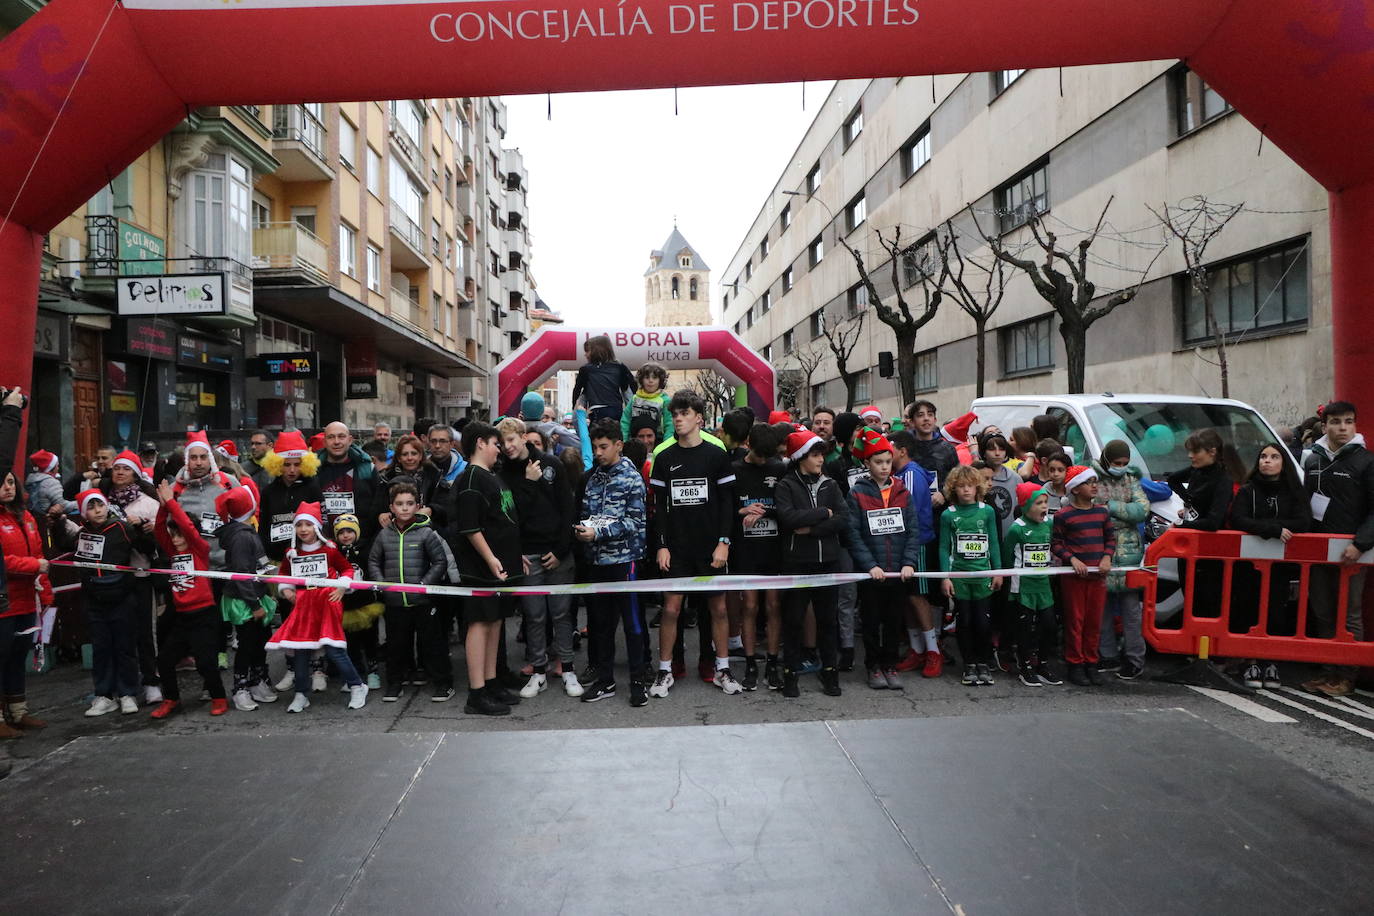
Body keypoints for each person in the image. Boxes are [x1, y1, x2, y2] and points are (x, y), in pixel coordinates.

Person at [647, 391, 740, 698]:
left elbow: (728, 503)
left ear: (699, 418)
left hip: (711, 546)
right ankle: (664, 671)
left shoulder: (717, 455)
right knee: (671, 609)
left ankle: (722, 668)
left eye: (684, 414)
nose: (678, 419)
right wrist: (661, 544)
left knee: (719, 609)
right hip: (677, 547)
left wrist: (724, 542)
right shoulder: (665, 457)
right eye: (674, 414)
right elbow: (659, 507)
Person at [494, 417, 579, 699]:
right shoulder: (503, 474)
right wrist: (529, 484)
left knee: (562, 613)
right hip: (527, 554)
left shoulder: (552, 464)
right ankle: (539, 670)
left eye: (511, 440)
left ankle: (567, 667)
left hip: (557, 553)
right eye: (502, 442)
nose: (507, 447)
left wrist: (562, 550)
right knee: (534, 615)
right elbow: (511, 516)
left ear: (523, 437)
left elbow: (568, 509)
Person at [450, 421, 523, 716]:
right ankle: (477, 692)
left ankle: (491, 682)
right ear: (480, 443)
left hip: (501, 565)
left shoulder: (490, 476)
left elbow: (502, 518)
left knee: (495, 622)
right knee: (479, 623)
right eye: (495, 444)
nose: (499, 449)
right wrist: (491, 558)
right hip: (481, 568)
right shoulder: (471, 479)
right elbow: (471, 527)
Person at [1301, 401, 1374, 698]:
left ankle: (1347, 674)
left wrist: (1360, 544)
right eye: (1335, 422)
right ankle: (1328, 670)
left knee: (1350, 613)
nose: (1342, 428)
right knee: (1322, 610)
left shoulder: (1366, 461)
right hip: (1317, 550)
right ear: (1324, 426)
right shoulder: (1313, 460)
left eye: (1348, 422)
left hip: (1351, 552)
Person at [56, 488, 151, 716]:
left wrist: (143, 528)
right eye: (91, 507)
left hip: (122, 597)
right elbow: (63, 544)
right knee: (101, 648)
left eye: (100, 505)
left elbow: (148, 548)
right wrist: (57, 522)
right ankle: (104, 695)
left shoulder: (122, 527)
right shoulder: (82, 534)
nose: (98, 511)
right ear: (83, 513)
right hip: (94, 600)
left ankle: (128, 693)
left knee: (125, 647)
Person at [575, 419, 650, 706]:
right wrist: (584, 531)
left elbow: (634, 521)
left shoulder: (631, 478)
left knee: (632, 624)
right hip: (597, 562)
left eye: (604, 447)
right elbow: (587, 514)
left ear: (619, 445)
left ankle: (637, 681)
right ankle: (605, 681)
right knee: (602, 625)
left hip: (625, 561)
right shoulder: (592, 478)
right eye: (595, 447)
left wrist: (598, 533)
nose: (598, 452)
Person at [268, 502, 368, 713]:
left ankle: (357, 686)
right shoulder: (291, 553)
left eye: (308, 524)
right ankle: (301, 693)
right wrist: (286, 590)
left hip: (327, 604)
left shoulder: (329, 549)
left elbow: (347, 569)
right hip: (304, 607)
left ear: (317, 527)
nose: (304, 529)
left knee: (334, 649)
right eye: (299, 525)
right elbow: (284, 574)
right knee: (301, 651)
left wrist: (341, 588)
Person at [846, 429, 923, 690]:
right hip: (873, 573)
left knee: (893, 621)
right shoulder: (857, 493)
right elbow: (853, 534)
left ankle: (890, 663)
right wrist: (870, 565)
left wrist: (909, 562)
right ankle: (873, 666)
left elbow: (913, 530)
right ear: (867, 464)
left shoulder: (903, 491)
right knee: (870, 621)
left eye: (888, 462)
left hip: (898, 571)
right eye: (878, 463)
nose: (884, 467)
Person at [775, 429, 849, 697]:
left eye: (821, 454)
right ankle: (790, 672)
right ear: (801, 457)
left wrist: (813, 529)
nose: (820, 460)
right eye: (815, 454)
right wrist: (822, 513)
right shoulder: (786, 485)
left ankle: (830, 671)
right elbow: (788, 518)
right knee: (793, 619)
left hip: (828, 561)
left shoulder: (830, 484)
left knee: (827, 620)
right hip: (797, 562)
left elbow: (843, 518)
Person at [1232, 443, 1312, 689]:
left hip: (1280, 566)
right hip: (1249, 566)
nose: (1267, 461)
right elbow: (1237, 518)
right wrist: (1272, 529)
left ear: (1283, 463)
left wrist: (1274, 527)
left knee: (1276, 611)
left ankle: (1271, 661)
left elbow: (1304, 521)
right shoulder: (1248, 491)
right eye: (1263, 457)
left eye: (1274, 457)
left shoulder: (1293, 492)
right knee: (1249, 609)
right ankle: (1251, 660)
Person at [368, 483, 455, 703]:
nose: (405, 508)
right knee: (396, 645)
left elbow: (440, 561)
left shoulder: (427, 533)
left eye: (409, 504)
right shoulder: (384, 535)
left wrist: (424, 583)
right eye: (399, 504)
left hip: (424, 600)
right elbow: (374, 561)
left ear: (418, 506)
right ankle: (395, 683)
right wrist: (382, 584)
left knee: (433, 644)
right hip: (395, 601)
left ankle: (443, 683)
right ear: (391, 507)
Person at [148, 481, 227, 718]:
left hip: (204, 615)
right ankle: (171, 698)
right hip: (181, 616)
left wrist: (173, 503)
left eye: (179, 535)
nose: (175, 539)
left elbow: (188, 529)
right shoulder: (173, 553)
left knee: (206, 662)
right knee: (164, 660)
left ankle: (219, 697)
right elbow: (160, 529)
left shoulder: (200, 550)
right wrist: (164, 506)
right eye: (173, 536)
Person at [731, 421, 787, 691]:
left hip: (774, 549)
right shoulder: (735, 470)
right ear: (748, 445)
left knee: (774, 606)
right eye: (760, 455)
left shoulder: (780, 467)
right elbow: (725, 509)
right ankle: (751, 662)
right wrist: (741, 512)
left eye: (770, 455)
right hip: (746, 551)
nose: (765, 461)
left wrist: (767, 511)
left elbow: (788, 508)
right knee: (750, 607)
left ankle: (773, 661)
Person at [1051, 465, 1116, 687]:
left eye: (1095, 481)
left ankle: (1092, 662)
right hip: (1074, 578)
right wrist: (1072, 559)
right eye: (1089, 482)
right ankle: (1075, 664)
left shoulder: (1102, 512)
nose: (1094, 485)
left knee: (1094, 621)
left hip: (1098, 577)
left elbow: (1110, 539)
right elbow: (1056, 543)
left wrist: (1107, 558)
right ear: (1075, 489)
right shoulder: (1063, 515)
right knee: (1075, 621)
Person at [938, 465, 1002, 686]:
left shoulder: (987, 511)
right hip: (960, 577)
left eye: (970, 486)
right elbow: (944, 548)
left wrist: (997, 571)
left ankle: (984, 662)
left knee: (983, 622)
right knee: (964, 621)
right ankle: (969, 664)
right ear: (954, 489)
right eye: (961, 487)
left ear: (978, 488)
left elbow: (994, 542)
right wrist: (945, 577)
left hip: (983, 576)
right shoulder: (949, 515)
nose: (966, 490)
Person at [1093, 440, 1151, 681]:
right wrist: (1123, 510)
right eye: (1117, 463)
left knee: (1131, 611)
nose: (1121, 467)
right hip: (1100, 550)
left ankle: (1134, 658)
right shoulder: (1092, 477)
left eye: (1125, 464)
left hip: (1129, 553)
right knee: (1101, 608)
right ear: (1107, 459)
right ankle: (1107, 655)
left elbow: (1143, 509)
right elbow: (1092, 508)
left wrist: (1111, 507)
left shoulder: (1131, 480)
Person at [0, 469, 52, 735]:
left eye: (11, 482)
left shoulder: (27, 516)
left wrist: (45, 592)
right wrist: (34, 566)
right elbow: (5, 562)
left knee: (18, 656)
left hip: (25, 600)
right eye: (2, 483)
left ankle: (18, 712)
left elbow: (40, 554)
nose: (7, 487)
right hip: (3, 601)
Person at [215, 486, 275, 711]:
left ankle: (257, 680)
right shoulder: (241, 537)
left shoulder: (246, 531)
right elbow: (242, 574)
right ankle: (241, 688)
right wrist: (255, 605)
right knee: (247, 644)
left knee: (260, 641)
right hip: (246, 601)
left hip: (256, 595)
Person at [887, 431, 942, 677]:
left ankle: (933, 651)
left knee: (918, 597)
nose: (886, 452)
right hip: (903, 545)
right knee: (906, 598)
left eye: (890, 447)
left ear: (902, 450)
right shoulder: (900, 474)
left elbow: (906, 513)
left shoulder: (910, 475)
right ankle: (916, 649)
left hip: (916, 544)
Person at [1003, 485, 1060, 686]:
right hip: (1023, 587)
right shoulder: (1016, 528)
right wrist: (1011, 587)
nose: (1044, 507)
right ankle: (1025, 667)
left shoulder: (1048, 525)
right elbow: (1008, 558)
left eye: (1045, 502)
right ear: (1026, 506)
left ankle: (1043, 665)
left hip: (1043, 586)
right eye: (1039, 503)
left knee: (1049, 625)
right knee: (1025, 629)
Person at [332, 514, 384, 690]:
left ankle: (373, 672)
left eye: (349, 531)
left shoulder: (365, 550)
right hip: (345, 607)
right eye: (341, 533)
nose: (345, 535)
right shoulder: (334, 554)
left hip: (366, 604)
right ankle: (356, 675)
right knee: (350, 644)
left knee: (370, 641)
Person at [258, 430, 323, 562]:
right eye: (286, 464)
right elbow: (263, 527)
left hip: (306, 558)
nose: (292, 470)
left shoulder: (313, 488)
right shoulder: (268, 492)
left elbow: (322, 523)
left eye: (297, 464)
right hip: (276, 557)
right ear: (277, 465)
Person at [316, 421, 377, 539]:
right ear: (324, 442)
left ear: (350, 440)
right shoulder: (313, 470)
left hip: (361, 542)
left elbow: (377, 506)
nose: (336, 441)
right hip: (323, 542)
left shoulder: (366, 468)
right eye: (331, 437)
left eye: (341, 436)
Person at [373, 433, 441, 528]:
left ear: (421, 456)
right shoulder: (386, 479)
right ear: (399, 458)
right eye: (405, 454)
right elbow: (376, 507)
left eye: (414, 453)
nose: (410, 458)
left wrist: (431, 509)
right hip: (394, 530)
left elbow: (444, 505)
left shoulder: (433, 475)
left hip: (427, 529)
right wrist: (381, 515)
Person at [572, 334, 635, 426]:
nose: (585, 354)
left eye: (587, 351)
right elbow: (629, 386)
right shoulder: (619, 366)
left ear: (596, 351)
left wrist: (575, 407)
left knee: (597, 436)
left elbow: (577, 390)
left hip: (597, 409)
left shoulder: (586, 369)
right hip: (616, 409)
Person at [621, 362, 672, 443]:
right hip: (635, 440)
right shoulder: (635, 398)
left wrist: (666, 444)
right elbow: (625, 421)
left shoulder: (665, 400)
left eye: (654, 378)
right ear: (641, 380)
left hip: (658, 440)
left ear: (660, 380)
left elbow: (669, 424)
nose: (650, 381)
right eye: (647, 377)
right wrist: (624, 440)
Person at [24, 450, 75, 519]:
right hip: (48, 522)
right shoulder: (50, 483)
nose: (58, 468)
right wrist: (81, 503)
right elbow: (63, 505)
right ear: (51, 468)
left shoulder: (33, 480)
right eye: (57, 466)